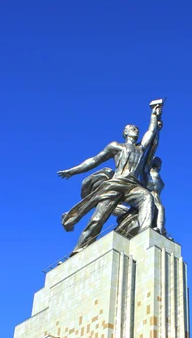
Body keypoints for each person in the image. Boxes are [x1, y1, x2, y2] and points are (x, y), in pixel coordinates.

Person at [58, 103, 163, 254]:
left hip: (132, 185)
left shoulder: (140, 148)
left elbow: (151, 132)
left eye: (137, 129)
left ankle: (145, 232)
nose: (135, 130)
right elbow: (94, 160)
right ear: (125, 132)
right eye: (132, 128)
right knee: (98, 218)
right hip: (116, 183)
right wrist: (72, 171)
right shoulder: (116, 146)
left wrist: (154, 115)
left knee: (146, 197)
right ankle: (78, 249)